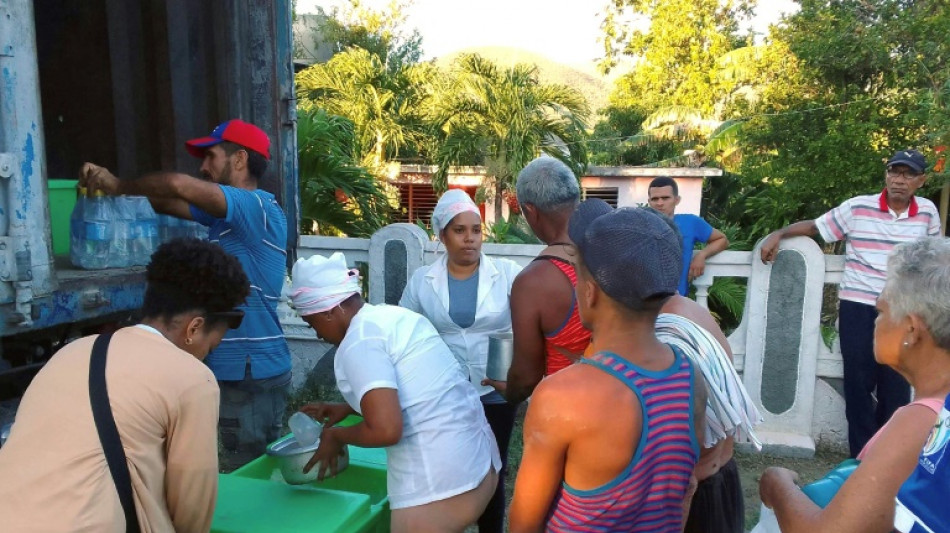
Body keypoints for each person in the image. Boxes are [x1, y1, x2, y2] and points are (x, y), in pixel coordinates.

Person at [0, 238, 250, 532]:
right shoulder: (193, 379)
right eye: (211, 344)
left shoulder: (72, 352)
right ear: (194, 328)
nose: (207, 353)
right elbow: (192, 508)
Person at [80, 118, 292, 459]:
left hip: (247, 374)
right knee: (252, 472)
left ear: (239, 159)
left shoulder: (256, 207)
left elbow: (177, 185)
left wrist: (118, 184)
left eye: (210, 157)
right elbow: (164, 202)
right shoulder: (224, 218)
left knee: (242, 474)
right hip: (249, 371)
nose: (202, 167)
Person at [508, 202, 706, 533]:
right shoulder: (691, 378)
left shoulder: (561, 396)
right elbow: (686, 487)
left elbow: (523, 524)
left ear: (589, 293)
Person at [288, 252, 501, 533]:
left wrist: (336, 435)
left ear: (329, 311)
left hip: (439, 489)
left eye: (312, 322)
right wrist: (348, 408)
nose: (316, 333)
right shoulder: (393, 318)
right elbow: (420, 391)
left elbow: (387, 430)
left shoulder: (359, 341)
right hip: (481, 467)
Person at [759, 236, 950, 533]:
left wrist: (777, 483)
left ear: (911, 330)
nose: (875, 321)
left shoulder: (924, 420)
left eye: (881, 311)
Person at [760, 149, 942, 457]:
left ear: (921, 181)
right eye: (894, 172)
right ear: (886, 175)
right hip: (858, 306)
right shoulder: (858, 207)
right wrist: (778, 233)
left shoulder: (926, 213)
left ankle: (888, 455)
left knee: (896, 386)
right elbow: (817, 227)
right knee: (857, 384)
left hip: (904, 311)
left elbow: (935, 258)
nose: (899, 180)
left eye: (908, 174)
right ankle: (860, 456)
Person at [399, 189, 522, 533]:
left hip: (496, 390)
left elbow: (531, 325)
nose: (470, 239)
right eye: (459, 230)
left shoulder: (509, 275)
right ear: (442, 235)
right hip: (445, 392)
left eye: (476, 230)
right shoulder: (423, 281)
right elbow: (403, 330)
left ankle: (490, 528)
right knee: (449, 466)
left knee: (493, 467)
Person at [486, 157, 592, 405]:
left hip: (568, 412)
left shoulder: (534, 281)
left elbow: (526, 377)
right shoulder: (611, 250)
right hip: (621, 404)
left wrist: (508, 392)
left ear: (531, 211)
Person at [648, 176, 730, 296]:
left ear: (677, 200)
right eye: (655, 199)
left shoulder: (690, 222)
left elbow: (722, 240)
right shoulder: (639, 224)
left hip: (677, 299)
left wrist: (702, 255)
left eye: (665, 198)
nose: (660, 203)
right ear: (649, 201)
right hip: (642, 301)